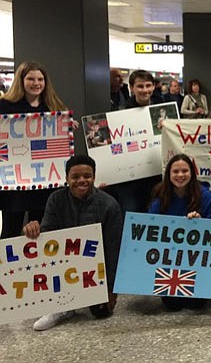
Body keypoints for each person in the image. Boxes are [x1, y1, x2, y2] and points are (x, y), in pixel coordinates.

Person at [23, 155, 123, 330]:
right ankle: (61, 307)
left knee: (101, 312)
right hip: (62, 261)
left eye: (87, 176)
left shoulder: (110, 205)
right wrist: (32, 231)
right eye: (75, 177)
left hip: (94, 269)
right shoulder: (55, 199)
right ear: (67, 178)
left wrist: (111, 288)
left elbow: (114, 250)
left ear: (94, 176)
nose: (82, 181)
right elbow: (46, 237)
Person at [0, 61, 70, 238]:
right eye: (30, 78)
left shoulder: (54, 106)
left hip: (43, 183)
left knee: (40, 230)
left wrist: (67, 126)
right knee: (10, 230)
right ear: (21, 80)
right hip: (14, 185)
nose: (36, 83)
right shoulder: (4, 106)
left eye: (40, 79)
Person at [148, 154, 211, 310]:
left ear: (192, 173)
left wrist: (201, 223)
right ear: (169, 174)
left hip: (198, 259)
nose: (180, 175)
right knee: (172, 303)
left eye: (185, 171)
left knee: (197, 304)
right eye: (176, 171)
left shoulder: (205, 197)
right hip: (169, 260)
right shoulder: (160, 196)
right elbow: (150, 227)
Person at [106, 70, 164, 213]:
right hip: (129, 181)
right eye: (140, 86)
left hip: (155, 176)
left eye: (148, 85)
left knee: (155, 217)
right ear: (131, 88)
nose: (145, 90)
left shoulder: (163, 110)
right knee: (131, 218)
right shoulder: (120, 114)